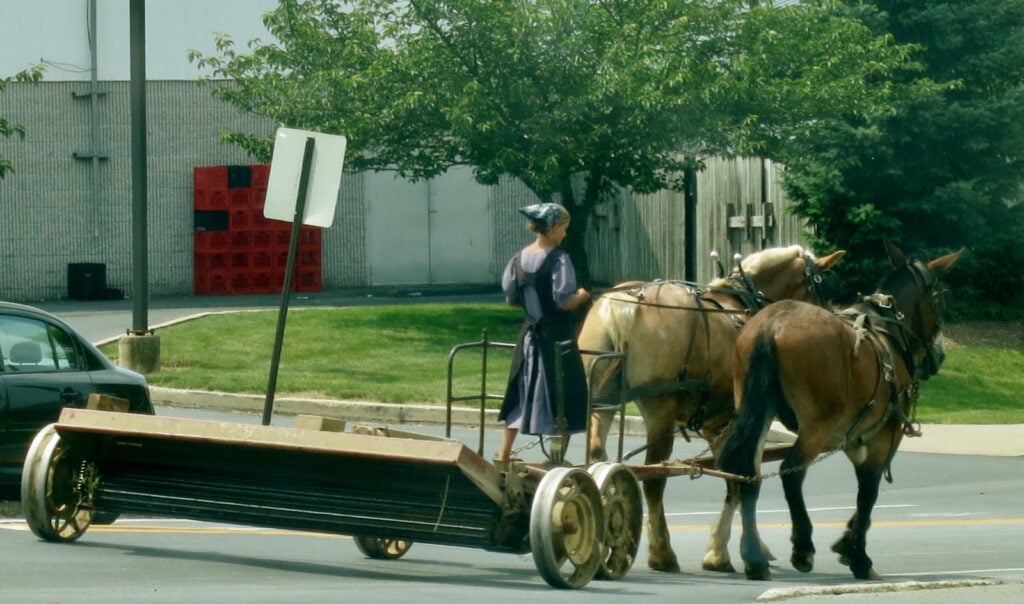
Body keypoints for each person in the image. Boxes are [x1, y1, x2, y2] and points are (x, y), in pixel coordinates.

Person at [496, 202, 591, 467]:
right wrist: (582, 296)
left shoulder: (518, 258)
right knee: (562, 391)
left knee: (521, 389)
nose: (565, 233)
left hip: (529, 337)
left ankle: (503, 453)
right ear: (552, 228)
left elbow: (512, 298)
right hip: (556, 337)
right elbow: (564, 301)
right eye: (563, 227)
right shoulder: (559, 258)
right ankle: (557, 457)